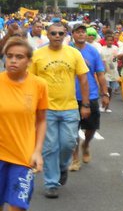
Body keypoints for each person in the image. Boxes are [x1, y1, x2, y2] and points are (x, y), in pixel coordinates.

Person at [0, 38, 48, 211]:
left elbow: (41, 120)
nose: (13, 61)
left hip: (22, 159)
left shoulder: (38, 85)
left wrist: (37, 151)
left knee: (17, 210)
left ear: (29, 61)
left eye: (19, 57)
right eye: (9, 56)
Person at [29, 22, 91, 198]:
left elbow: (83, 80)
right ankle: (51, 183)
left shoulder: (74, 53)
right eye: (53, 33)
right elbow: (30, 82)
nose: (57, 36)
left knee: (68, 143)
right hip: (45, 109)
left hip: (69, 108)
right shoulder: (37, 55)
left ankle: (62, 167)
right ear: (47, 35)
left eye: (60, 33)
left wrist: (86, 104)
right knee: (50, 147)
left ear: (65, 35)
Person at [68, 24, 110, 171]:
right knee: (72, 130)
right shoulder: (67, 50)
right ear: (73, 34)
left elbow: (100, 74)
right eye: (78, 32)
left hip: (91, 94)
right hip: (70, 96)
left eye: (83, 32)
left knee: (91, 127)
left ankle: (85, 145)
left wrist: (105, 93)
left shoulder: (93, 51)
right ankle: (75, 159)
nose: (81, 34)